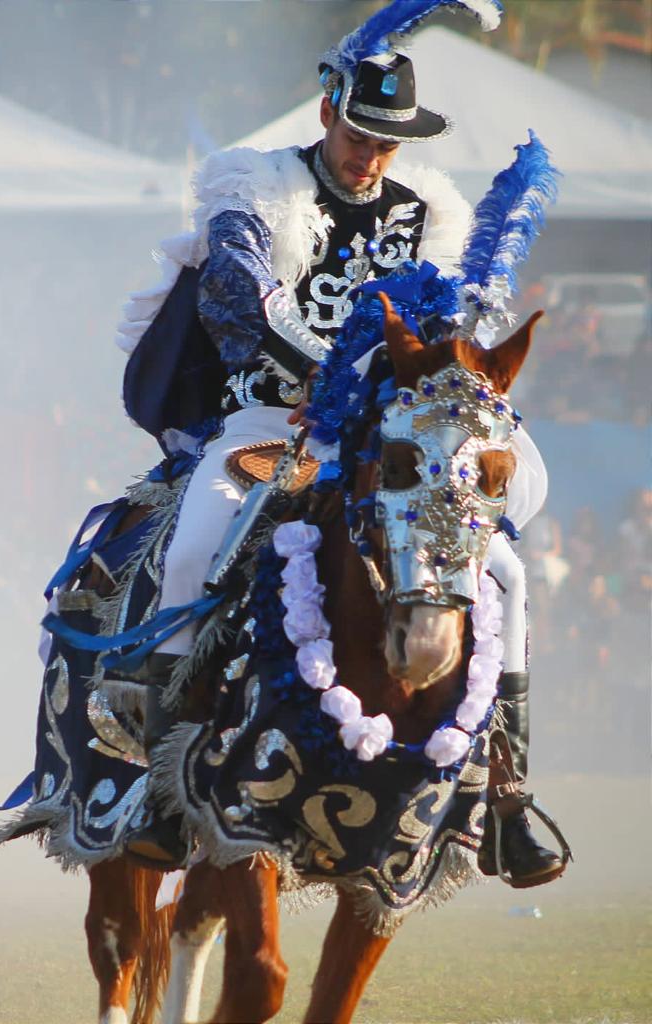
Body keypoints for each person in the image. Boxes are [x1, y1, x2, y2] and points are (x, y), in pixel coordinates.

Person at [118, 0, 564, 886]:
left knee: (504, 570)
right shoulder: (255, 187)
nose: (370, 156)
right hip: (269, 419)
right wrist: (336, 369)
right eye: (360, 133)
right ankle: (161, 785)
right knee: (199, 545)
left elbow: (445, 326)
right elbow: (239, 301)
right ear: (328, 113)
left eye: (388, 142)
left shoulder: (428, 216)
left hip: (384, 437)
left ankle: (505, 792)